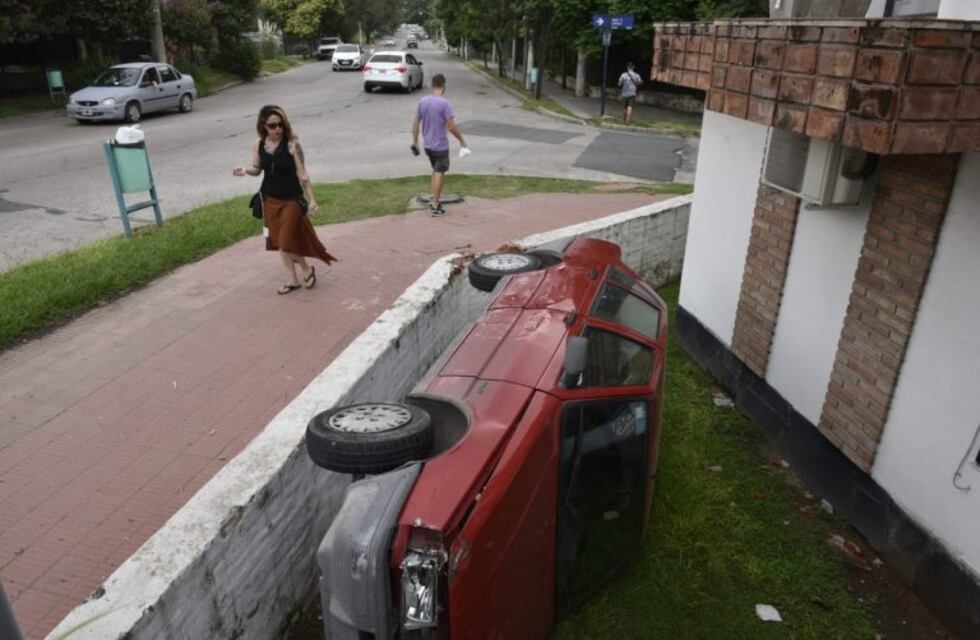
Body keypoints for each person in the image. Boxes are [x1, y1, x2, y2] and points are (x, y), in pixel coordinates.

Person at [233, 105, 337, 294]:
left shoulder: (291, 144)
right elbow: (257, 169)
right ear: (263, 125)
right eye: (273, 125)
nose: (278, 129)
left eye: (280, 125)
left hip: (291, 200)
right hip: (269, 200)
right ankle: (292, 280)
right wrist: (246, 170)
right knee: (278, 242)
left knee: (285, 242)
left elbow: (303, 174)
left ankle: (306, 269)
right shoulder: (258, 144)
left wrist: (312, 199)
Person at [411, 74, 467, 217]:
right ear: (444, 85)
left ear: (432, 85)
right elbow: (451, 126)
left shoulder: (423, 101)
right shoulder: (444, 103)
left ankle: (432, 197)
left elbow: (416, 123)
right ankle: (435, 204)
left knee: (435, 171)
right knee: (439, 172)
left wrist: (415, 141)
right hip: (440, 145)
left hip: (428, 145)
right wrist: (461, 140)